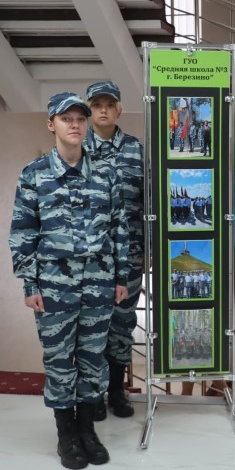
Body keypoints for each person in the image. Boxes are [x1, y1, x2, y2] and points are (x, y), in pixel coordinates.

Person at [9, 92, 130, 470]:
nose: (75, 124)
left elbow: (119, 228)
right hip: (54, 282)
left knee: (94, 356)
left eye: (80, 118)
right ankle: (66, 434)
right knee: (59, 359)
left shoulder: (106, 173)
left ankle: (87, 430)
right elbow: (23, 231)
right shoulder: (34, 174)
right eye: (66, 119)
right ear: (52, 124)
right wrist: (30, 284)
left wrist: (121, 276)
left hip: (99, 279)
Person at [83, 81, 145, 420]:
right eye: (97, 105)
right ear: (89, 110)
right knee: (91, 326)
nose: (103, 110)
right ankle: (92, 395)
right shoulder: (77, 148)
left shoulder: (136, 150)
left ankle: (117, 391)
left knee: (122, 323)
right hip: (89, 256)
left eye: (109, 104)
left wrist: (148, 251)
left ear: (119, 110)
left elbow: (149, 203)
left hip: (129, 257)